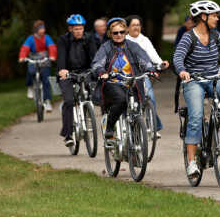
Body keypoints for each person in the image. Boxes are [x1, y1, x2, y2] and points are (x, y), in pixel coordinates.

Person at [173, 0, 220, 178]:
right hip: (194, 81)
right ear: (203, 17)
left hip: (213, 77)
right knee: (196, 117)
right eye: (213, 15)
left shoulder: (216, 36)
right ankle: (191, 163)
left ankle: (219, 127)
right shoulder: (189, 37)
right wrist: (182, 71)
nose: (217, 18)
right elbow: (178, 56)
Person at [92, 17, 155, 138]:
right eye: (115, 33)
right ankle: (110, 127)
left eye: (121, 32)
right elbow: (97, 63)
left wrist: (151, 69)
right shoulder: (106, 47)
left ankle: (135, 144)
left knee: (136, 109)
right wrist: (101, 72)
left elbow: (144, 59)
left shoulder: (133, 46)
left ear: (126, 32)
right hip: (112, 82)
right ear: (110, 34)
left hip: (132, 82)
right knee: (121, 100)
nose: (119, 35)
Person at [57, 14, 98, 147]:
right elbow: (61, 57)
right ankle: (68, 134)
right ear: (70, 29)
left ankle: (88, 112)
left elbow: (94, 56)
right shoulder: (63, 40)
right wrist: (62, 69)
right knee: (69, 101)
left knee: (92, 92)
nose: (79, 31)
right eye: (76, 29)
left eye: (81, 28)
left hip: (85, 72)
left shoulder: (89, 39)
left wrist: (95, 69)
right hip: (68, 73)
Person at [125, 15, 169, 137]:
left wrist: (161, 63)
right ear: (127, 27)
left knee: (150, 97)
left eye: (138, 25)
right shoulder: (123, 40)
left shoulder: (144, 40)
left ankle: (152, 127)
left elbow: (152, 54)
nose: (136, 27)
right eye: (133, 25)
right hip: (126, 76)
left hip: (142, 74)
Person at [18, 20, 57, 111]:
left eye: (43, 28)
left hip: (44, 61)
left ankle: (47, 101)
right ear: (36, 30)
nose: (43, 30)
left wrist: (52, 56)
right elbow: (25, 48)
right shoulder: (30, 39)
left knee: (46, 81)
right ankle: (30, 87)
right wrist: (22, 57)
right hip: (33, 59)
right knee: (30, 71)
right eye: (41, 28)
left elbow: (52, 47)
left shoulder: (47, 38)